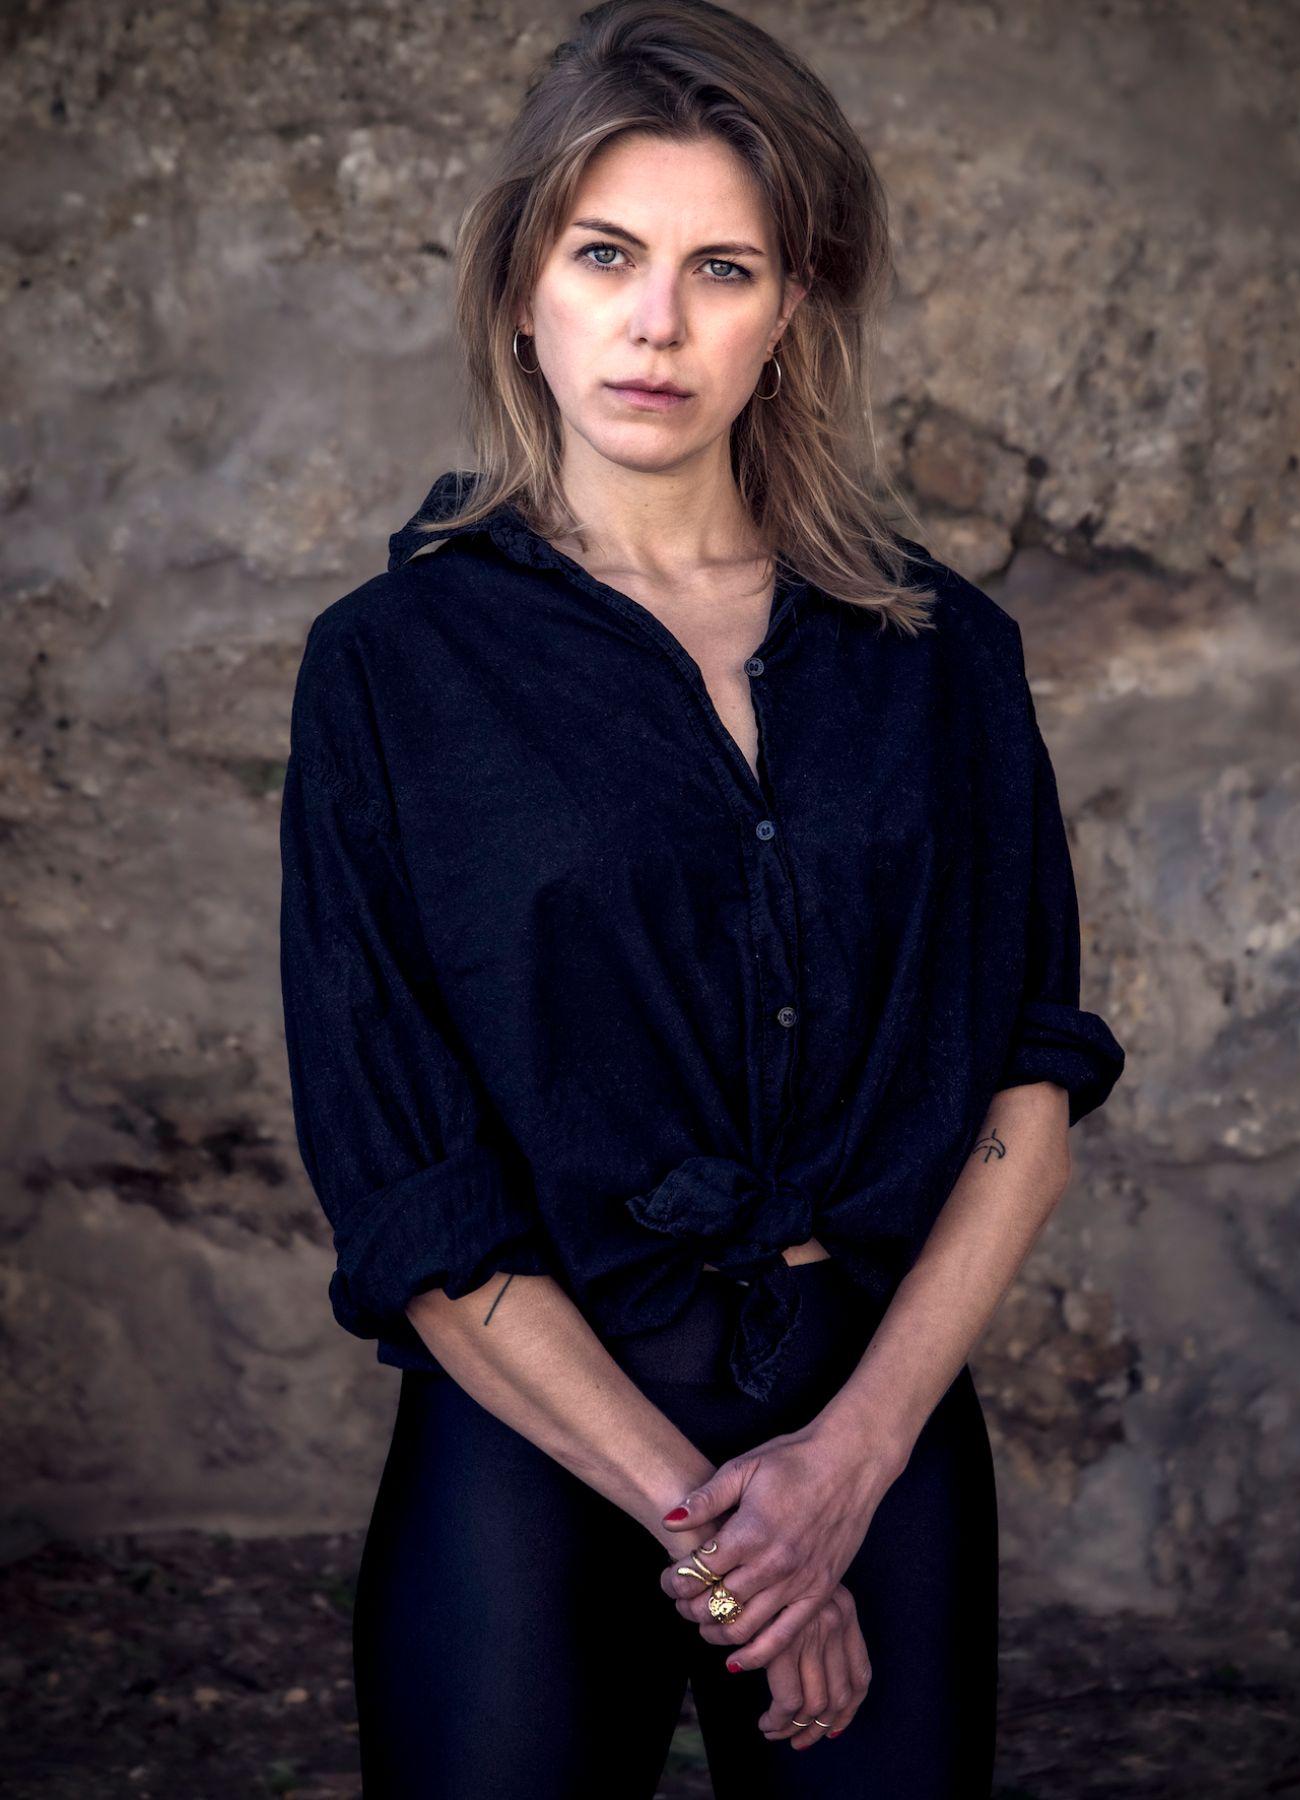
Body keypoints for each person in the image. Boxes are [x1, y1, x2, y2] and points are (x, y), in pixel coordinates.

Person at [277, 3, 1127, 1795]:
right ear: (526, 285)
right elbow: (406, 1179)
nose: (655, 324)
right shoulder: (390, 670)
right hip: (534, 1424)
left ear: (787, 312)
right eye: (606, 254)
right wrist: (728, 1540)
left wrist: (841, 1474)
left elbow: (1026, 1092)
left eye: (720, 269)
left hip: (870, 1421)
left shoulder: (938, 654)